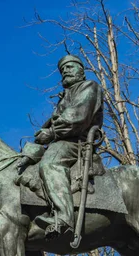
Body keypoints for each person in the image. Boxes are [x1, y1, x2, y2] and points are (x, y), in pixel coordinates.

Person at [34, 55, 104, 238]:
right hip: (61, 140)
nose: (65, 70)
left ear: (81, 71)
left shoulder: (89, 87)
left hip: (76, 143)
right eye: (62, 69)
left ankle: (64, 217)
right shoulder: (64, 97)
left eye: (70, 67)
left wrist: (51, 132)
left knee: (50, 164)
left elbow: (77, 116)